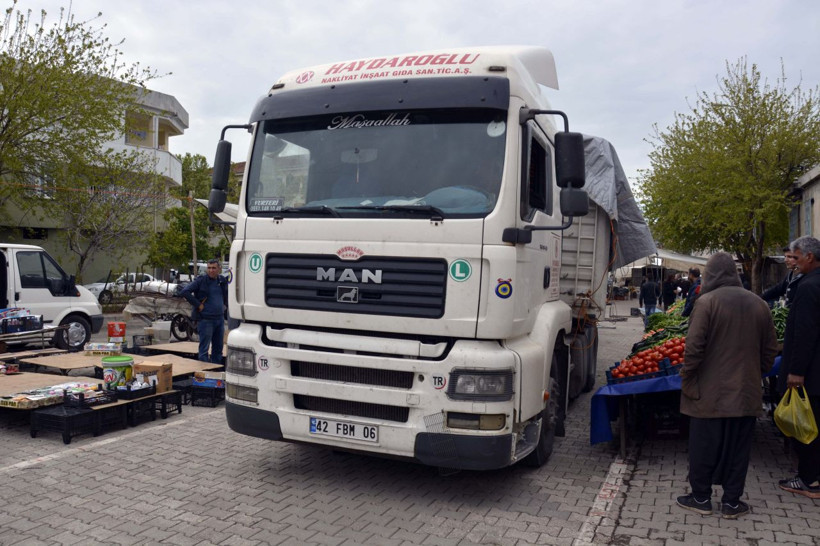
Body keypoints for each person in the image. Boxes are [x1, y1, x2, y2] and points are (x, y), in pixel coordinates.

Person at [676, 252, 778, 519]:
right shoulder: (759, 304)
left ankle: (701, 498)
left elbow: (694, 348)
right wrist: (755, 374)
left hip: (709, 395)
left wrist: (688, 378)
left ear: (710, 275)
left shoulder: (706, 302)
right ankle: (732, 503)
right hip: (745, 393)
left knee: (703, 447)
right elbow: (770, 352)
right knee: (738, 450)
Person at [776, 236, 820, 499]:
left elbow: (804, 333)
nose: (793, 262)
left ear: (809, 257)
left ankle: (808, 480)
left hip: (810, 372)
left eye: (796, 256)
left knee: (807, 426)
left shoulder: (808, 286)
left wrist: (796, 371)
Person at [180, 259, 228, 364]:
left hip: (219, 320)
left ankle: (216, 372)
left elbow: (226, 294)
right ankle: (204, 373)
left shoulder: (222, 280)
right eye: (209, 268)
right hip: (206, 320)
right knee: (204, 350)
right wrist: (198, 305)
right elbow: (185, 292)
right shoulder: (201, 281)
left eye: (214, 268)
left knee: (218, 349)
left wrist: (225, 306)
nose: (211, 270)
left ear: (219, 269)